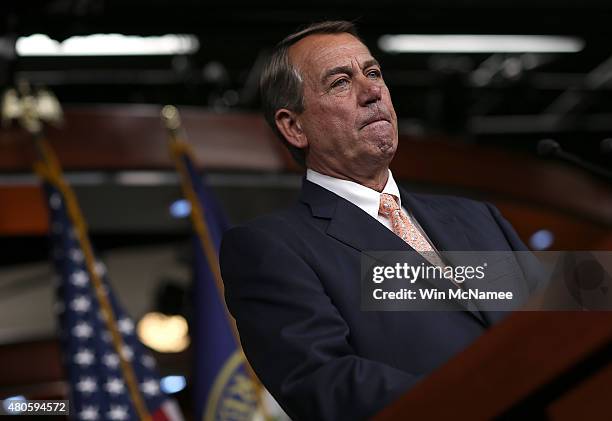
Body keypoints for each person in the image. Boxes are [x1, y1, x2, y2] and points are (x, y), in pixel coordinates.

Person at [220, 21, 537, 421]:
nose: (373, 92)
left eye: (373, 73)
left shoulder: (478, 218)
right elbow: (328, 384)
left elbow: (558, 325)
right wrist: (483, 397)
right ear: (294, 127)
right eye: (340, 82)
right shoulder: (269, 249)